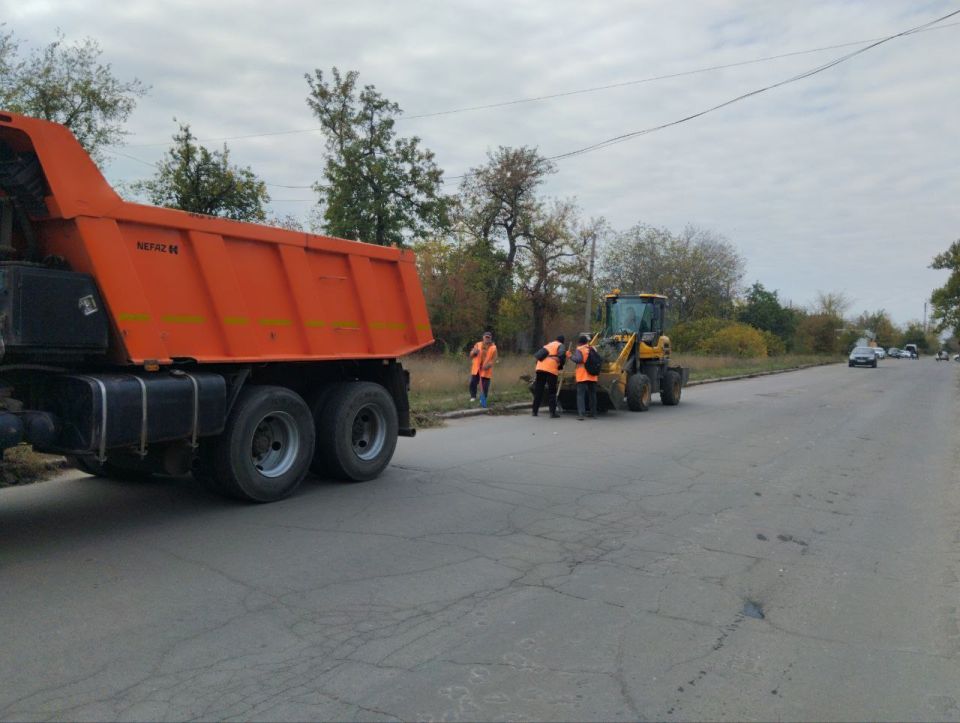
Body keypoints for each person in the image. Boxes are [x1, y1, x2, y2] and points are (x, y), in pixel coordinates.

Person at [531, 334, 565, 418]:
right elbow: (561, 356)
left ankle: (534, 411)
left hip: (540, 368)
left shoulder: (548, 345)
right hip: (551, 370)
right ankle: (552, 413)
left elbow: (538, 356)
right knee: (552, 391)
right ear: (562, 341)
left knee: (538, 390)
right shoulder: (560, 345)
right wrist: (561, 362)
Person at [569, 333, 598, 420]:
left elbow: (578, 360)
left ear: (580, 342)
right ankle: (593, 413)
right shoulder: (593, 348)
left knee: (580, 395)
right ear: (586, 342)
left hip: (582, 375)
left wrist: (570, 356)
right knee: (592, 394)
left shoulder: (580, 349)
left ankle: (581, 414)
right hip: (593, 375)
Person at [468, 331, 498, 407]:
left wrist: (489, 365)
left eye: (488, 337)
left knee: (485, 386)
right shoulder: (478, 344)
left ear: (491, 338)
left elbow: (494, 359)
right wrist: (474, 352)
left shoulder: (493, 347)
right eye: (486, 337)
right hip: (477, 368)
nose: (487, 338)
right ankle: (473, 397)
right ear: (483, 337)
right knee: (473, 383)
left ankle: (483, 398)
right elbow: (471, 355)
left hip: (486, 369)